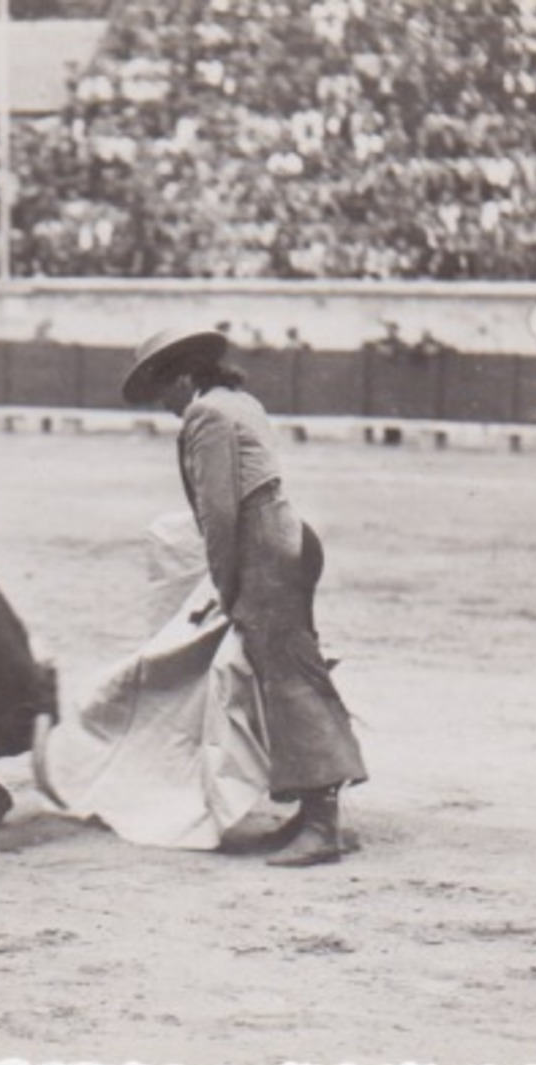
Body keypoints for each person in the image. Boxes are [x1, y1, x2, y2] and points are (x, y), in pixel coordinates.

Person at [119, 326, 368, 866]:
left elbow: (220, 514)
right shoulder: (240, 401)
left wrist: (225, 585)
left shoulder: (206, 416)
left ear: (185, 377)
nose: (164, 402)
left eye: (165, 388)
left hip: (263, 549)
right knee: (287, 673)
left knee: (287, 679)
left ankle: (324, 826)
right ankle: (315, 813)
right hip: (287, 537)